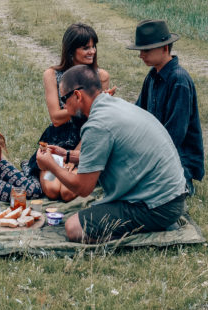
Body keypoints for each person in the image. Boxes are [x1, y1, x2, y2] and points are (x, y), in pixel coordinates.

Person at [36, 65, 187, 243]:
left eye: (64, 100)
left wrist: (51, 166)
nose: (65, 107)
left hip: (156, 207)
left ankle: (146, 229)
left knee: (74, 228)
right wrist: (67, 156)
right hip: (169, 198)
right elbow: (108, 154)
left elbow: (83, 188)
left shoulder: (97, 125)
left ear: (77, 95)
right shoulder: (112, 105)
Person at [26, 23, 114, 202]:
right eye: (85, 48)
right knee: (51, 190)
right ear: (71, 51)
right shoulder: (52, 75)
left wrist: (75, 156)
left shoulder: (101, 76)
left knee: (66, 193)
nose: (92, 52)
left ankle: (82, 170)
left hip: (86, 140)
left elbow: (97, 123)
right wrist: (88, 104)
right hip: (58, 138)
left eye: (93, 46)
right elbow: (56, 118)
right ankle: (52, 166)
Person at [127, 19, 204, 195]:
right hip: (156, 154)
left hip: (176, 160)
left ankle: (184, 186)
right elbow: (138, 114)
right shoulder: (153, 75)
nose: (141, 55)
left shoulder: (179, 80)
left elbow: (175, 134)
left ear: (164, 48)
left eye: (146, 50)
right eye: (140, 50)